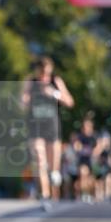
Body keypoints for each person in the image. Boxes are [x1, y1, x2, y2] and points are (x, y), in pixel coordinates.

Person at [21, 56, 74, 209]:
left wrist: (55, 94)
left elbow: (70, 102)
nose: (44, 75)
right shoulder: (30, 82)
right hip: (35, 127)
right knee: (39, 161)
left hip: (52, 127)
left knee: (53, 168)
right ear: (37, 71)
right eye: (41, 72)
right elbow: (22, 101)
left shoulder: (56, 81)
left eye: (46, 72)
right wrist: (25, 100)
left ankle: (54, 178)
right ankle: (45, 196)